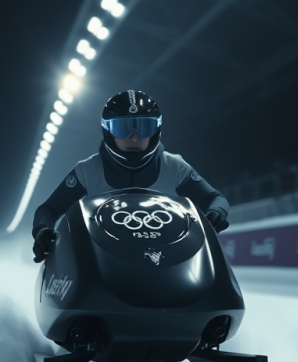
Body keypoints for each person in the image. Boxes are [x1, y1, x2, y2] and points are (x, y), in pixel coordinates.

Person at [32, 90, 230, 262]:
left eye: (144, 127)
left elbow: (214, 198)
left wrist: (217, 212)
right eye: (123, 128)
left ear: (156, 130)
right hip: (104, 259)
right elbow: (49, 209)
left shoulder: (175, 166)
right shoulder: (87, 170)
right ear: (108, 131)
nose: (134, 137)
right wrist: (43, 230)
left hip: (166, 258)